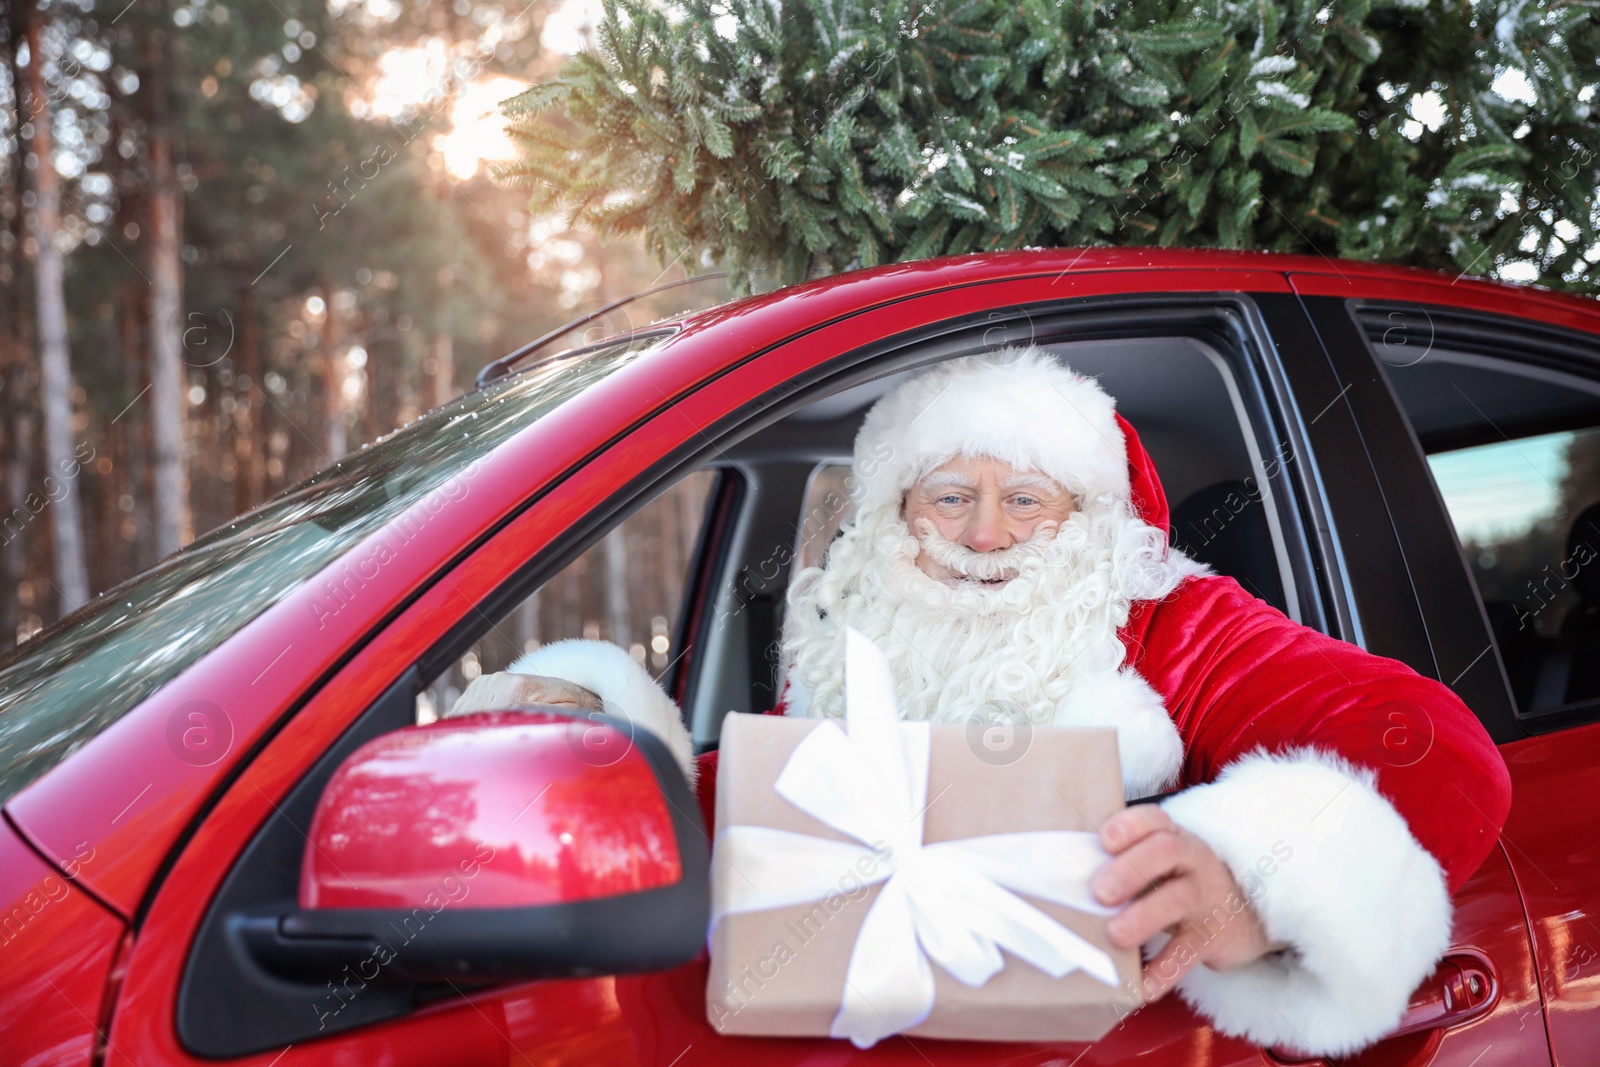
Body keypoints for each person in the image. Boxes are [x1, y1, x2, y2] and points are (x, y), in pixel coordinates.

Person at [449, 348, 1512, 1057]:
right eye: (950, 497)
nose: (986, 534)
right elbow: (783, 812)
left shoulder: (1169, 619)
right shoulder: (858, 634)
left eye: (1026, 501)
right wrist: (600, 732)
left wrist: (1247, 878)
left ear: (1085, 514)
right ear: (898, 517)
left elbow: (1436, 756)